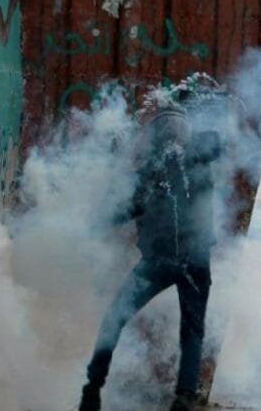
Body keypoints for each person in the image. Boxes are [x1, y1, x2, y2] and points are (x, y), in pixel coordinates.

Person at [78, 98, 222, 411]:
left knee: (113, 321)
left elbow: (120, 212)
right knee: (192, 331)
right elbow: (213, 142)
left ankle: (92, 390)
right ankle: (184, 397)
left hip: (160, 262)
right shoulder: (198, 162)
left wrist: (90, 224)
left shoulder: (153, 172)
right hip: (193, 261)